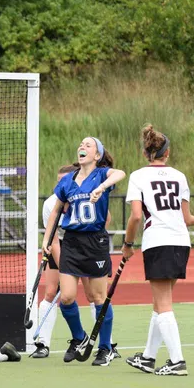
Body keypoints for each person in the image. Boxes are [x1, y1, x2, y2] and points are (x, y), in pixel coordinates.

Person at [123, 125, 194, 376]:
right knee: (159, 302)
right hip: (180, 242)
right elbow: (186, 218)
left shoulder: (138, 176)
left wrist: (127, 244)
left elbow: (134, 217)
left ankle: (177, 361)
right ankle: (148, 357)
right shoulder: (179, 176)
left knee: (163, 303)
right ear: (168, 152)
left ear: (146, 153)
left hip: (158, 242)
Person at [42, 137, 125, 366]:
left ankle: (105, 348)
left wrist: (102, 187)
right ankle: (79, 337)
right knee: (67, 297)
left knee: (98, 297)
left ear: (97, 155)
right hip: (71, 242)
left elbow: (121, 174)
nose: (82, 146)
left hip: (94, 242)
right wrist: (47, 239)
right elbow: (56, 211)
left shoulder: (102, 174)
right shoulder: (68, 180)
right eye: (80, 144)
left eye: (89, 145)